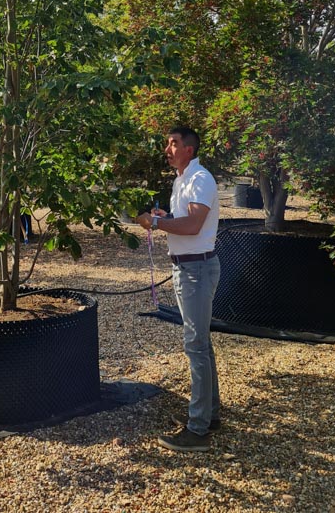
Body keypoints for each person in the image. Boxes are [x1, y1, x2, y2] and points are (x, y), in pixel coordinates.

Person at [136, 125, 220, 453]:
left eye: (173, 144)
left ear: (189, 149)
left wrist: (156, 222)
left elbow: (192, 225)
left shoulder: (201, 179)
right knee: (202, 345)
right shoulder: (180, 180)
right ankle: (210, 415)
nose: (167, 149)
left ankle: (198, 430)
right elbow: (180, 218)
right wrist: (165, 215)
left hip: (196, 269)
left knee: (196, 347)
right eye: (166, 143)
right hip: (186, 268)